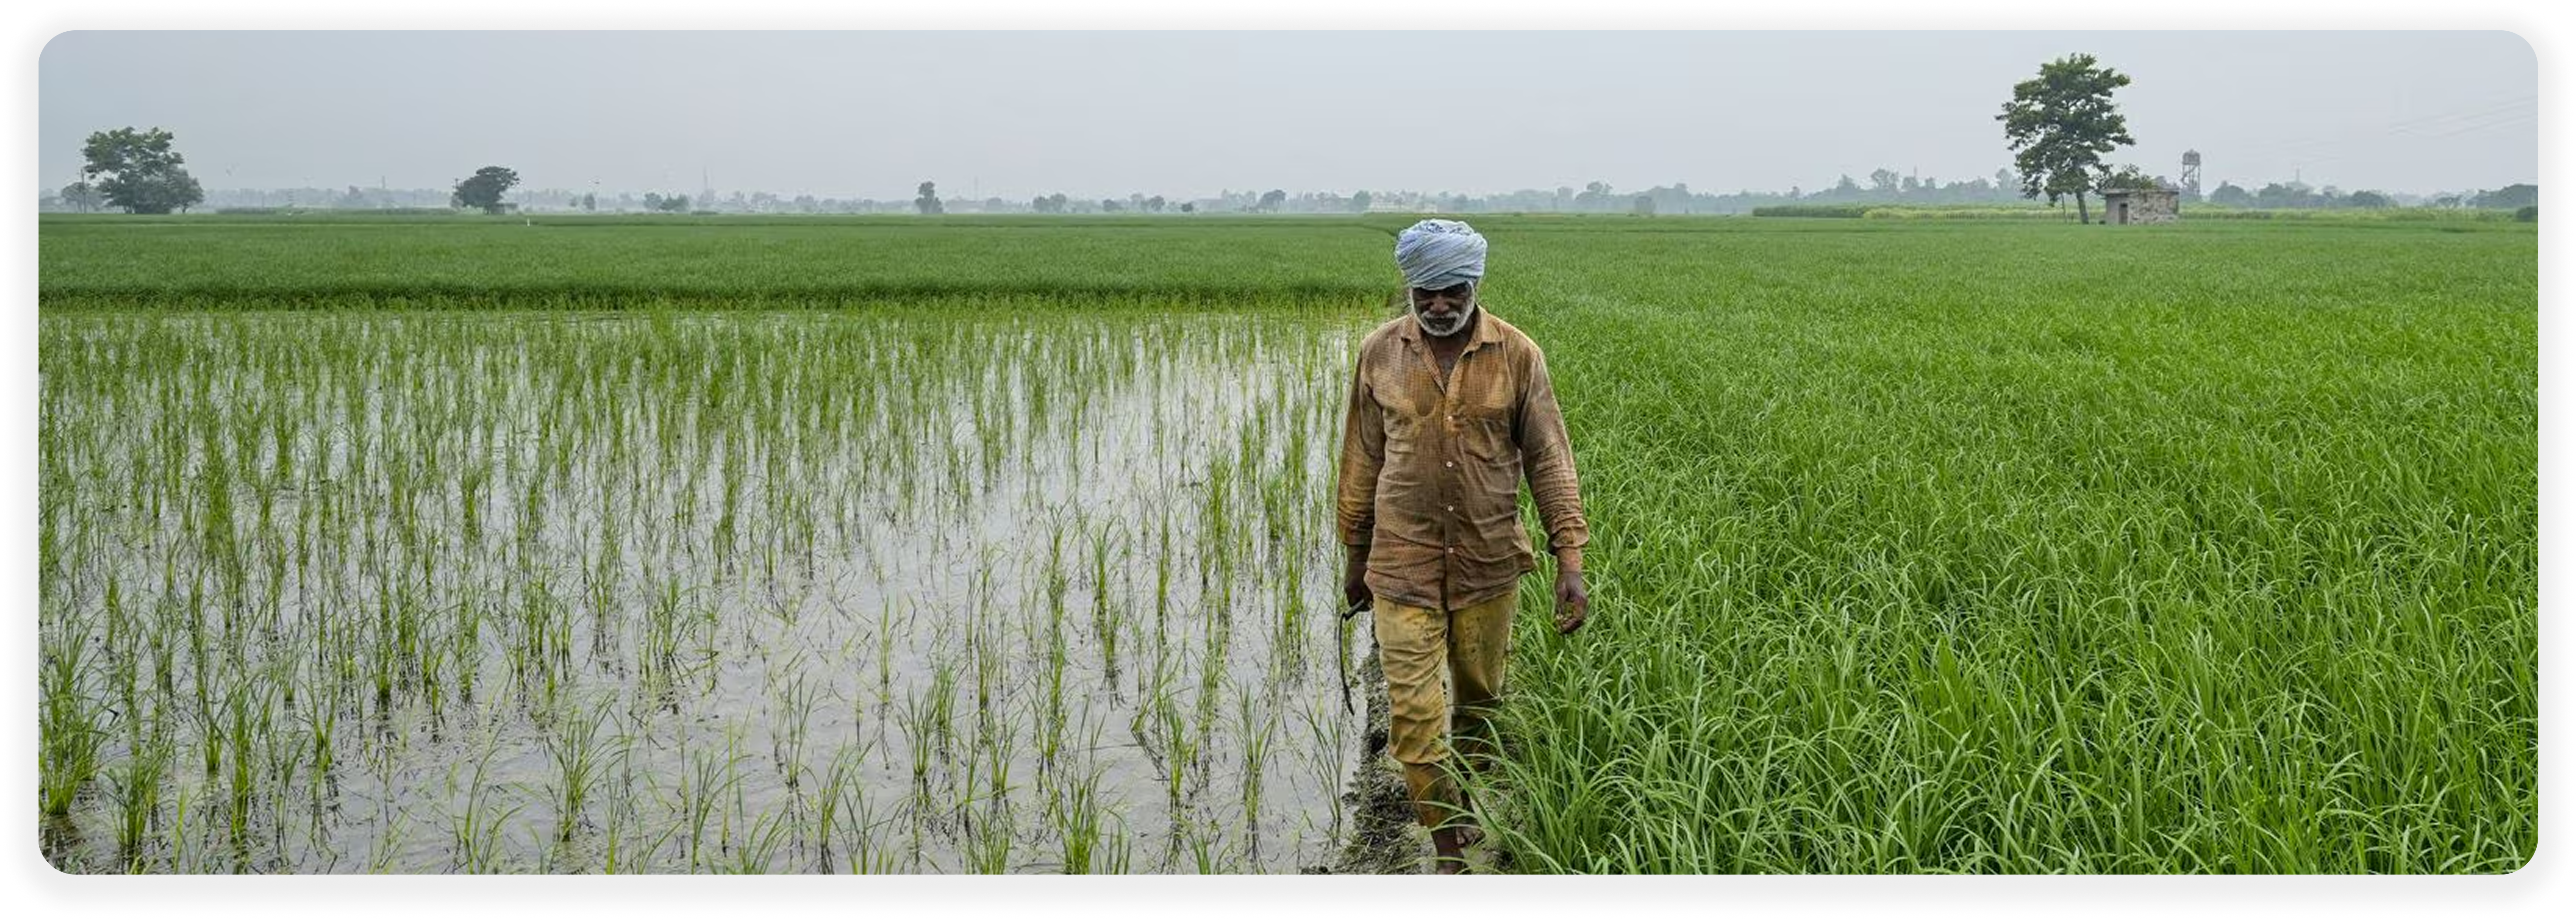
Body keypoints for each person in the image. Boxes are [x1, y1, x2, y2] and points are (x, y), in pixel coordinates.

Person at [1336, 218, 1591, 874]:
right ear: (1410, 290)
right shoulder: (1378, 355)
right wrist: (1354, 559)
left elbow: (1550, 460)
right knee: (1416, 717)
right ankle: (1448, 848)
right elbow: (1361, 461)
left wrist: (1571, 560)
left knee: (1480, 701)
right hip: (1401, 563)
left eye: (1452, 291)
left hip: (1487, 563)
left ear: (1474, 284)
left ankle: (1468, 800)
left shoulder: (1517, 354)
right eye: (1426, 294)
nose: (1440, 306)